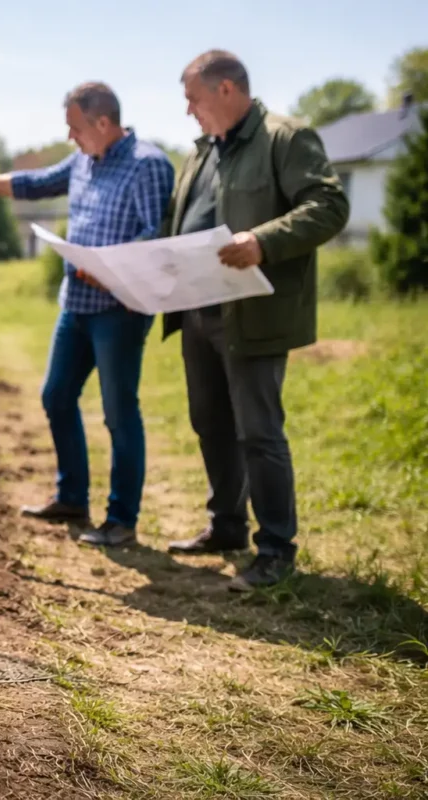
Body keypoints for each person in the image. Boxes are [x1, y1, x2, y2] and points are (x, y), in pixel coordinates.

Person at [0, 82, 175, 548]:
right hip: (77, 304)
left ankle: (121, 519)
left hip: (118, 311)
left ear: (103, 123)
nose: (71, 138)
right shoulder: (84, 161)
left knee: (118, 411)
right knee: (56, 397)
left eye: (75, 128)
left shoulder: (148, 165)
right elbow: (36, 182)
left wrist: (106, 267)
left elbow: (155, 236)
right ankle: (71, 496)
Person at [159, 51, 349, 590]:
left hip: (253, 315)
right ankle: (226, 528)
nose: (189, 111)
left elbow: (329, 206)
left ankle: (275, 550)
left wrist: (262, 242)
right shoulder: (201, 153)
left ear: (226, 89)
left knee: (258, 432)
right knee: (210, 422)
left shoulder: (286, 138)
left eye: (194, 99)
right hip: (199, 311)